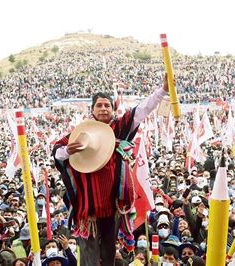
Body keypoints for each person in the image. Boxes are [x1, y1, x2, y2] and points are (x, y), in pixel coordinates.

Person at [53, 75, 169, 265]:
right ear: (92, 110)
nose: (104, 108)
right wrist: (67, 151)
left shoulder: (118, 129)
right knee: (89, 257)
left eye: (107, 105)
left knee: (108, 255)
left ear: (113, 110)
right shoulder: (80, 133)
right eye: (99, 105)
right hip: (87, 210)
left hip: (112, 208)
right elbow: (57, 153)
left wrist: (162, 91)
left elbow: (141, 110)